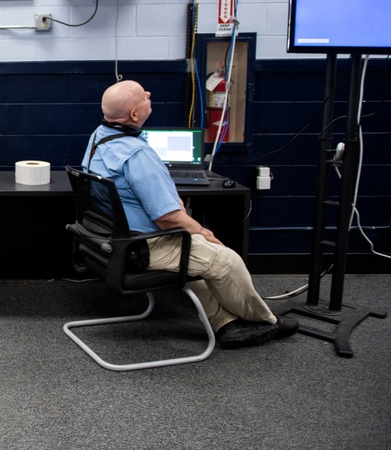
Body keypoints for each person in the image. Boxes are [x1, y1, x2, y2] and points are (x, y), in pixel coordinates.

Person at [81, 80, 298, 349]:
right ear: (134, 115)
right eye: (143, 95)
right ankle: (265, 320)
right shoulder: (137, 153)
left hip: (113, 237)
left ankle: (225, 323)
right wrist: (203, 232)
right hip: (143, 245)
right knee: (225, 260)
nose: (149, 94)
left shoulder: (98, 138)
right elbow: (168, 218)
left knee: (198, 254)